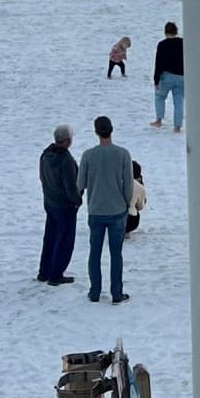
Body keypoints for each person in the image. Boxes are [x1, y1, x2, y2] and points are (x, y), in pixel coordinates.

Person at [79, 113, 137, 304]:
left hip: (96, 209)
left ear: (96, 132)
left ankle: (94, 291)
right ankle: (116, 292)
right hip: (117, 210)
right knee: (116, 254)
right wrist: (127, 202)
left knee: (94, 252)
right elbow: (129, 184)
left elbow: (80, 183)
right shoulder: (122, 154)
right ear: (111, 130)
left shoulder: (88, 155)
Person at [37, 123, 80, 284]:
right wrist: (77, 201)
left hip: (49, 202)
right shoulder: (66, 160)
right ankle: (56, 274)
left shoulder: (45, 155)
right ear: (68, 140)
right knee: (64, 241)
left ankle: (44, 271)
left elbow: (42, 177)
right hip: (64, 205)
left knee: (50, 237)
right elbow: (70, 185)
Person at [151, 20, 184, 130]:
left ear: (165, 32)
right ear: (176, 31)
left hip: (167, 76)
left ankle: (159, 120)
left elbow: (158, 63)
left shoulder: (162, 45)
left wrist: (156, 80)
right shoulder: (183, 42)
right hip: (181, 76)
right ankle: (177, 127)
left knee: (160, 97)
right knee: (178, 101)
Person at [127, 158, 147, 235]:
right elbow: (141, 206)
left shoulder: (116, 181)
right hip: (131, 222)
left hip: (113, 218)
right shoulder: (139, 187)